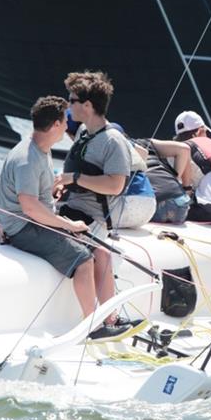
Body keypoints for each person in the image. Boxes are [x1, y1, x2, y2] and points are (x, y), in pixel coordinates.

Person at [0, 96, 129, 340]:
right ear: (56, 125)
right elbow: (30, 208)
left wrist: (53, 192)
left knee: (101, 252)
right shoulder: (27, 158)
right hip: (24, 227)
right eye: (65, 121)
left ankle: (111, 317)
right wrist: (69, 225)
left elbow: (35, 198)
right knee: (83, 259)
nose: (69, 126)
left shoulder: (40, 149)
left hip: (38, 219)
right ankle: (92, 326)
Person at [53, 71, 141, 335]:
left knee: (99, 254)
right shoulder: (82, 132)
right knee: (99, 253)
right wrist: (63, 184)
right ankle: (107, 319)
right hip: (70, 209)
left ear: (88, 105)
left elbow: (116, 185)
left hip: (92, 217)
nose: (68, 106)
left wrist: (74, 177)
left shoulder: (113, 141)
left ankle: (106, 320)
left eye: (72, 100)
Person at [135, 138, 193, 224]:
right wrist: (176, 180)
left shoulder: (118, 148)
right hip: (180, 205)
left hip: (154, 204)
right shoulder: (145, 142)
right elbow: (185, 149)